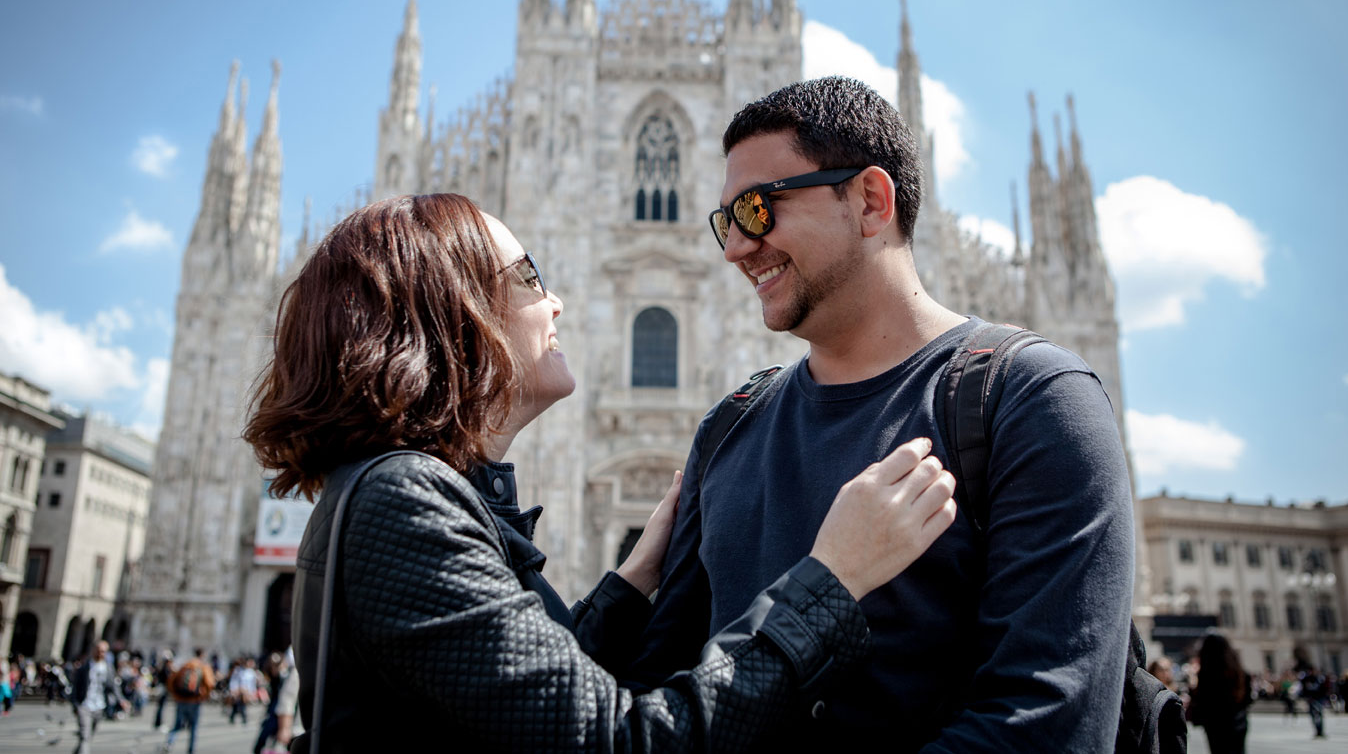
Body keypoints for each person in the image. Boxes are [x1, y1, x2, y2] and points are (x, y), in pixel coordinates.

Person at [242, 192, 958, 752]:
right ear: (448, 314)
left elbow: (524, 704)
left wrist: (633, 580)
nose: (555, 300)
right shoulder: (403, 503)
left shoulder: (415, 490)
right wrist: (832, 581)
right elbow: (616, 742)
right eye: (528, 277)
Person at [630, 77, 1136, 750]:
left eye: (757, 209)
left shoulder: (1031, 400)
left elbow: (1043, 725)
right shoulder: (729, 428)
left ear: (871, 200)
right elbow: (658, 696)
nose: (734, 248)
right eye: (727, 221)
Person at [1186, 633, 1251, 753]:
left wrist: (1192, 681)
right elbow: (1248, 700)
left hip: (1215, 724)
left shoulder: (1207, 676)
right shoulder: (1240, 674)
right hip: (1238, 722)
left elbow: (1201, 700)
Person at [162, 647, 216, 753]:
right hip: (194, 700)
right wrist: (204, 696)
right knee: (193, 727)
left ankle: (169, 743)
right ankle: (191, 750)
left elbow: (171, 680)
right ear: (202, 655)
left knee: (177, 725)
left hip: (181, 699)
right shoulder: (203, 666)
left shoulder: (186, 665)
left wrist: (176, 695)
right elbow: (210, 683)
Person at [70, 640, 118, 754]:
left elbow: (113, 687)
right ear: (93, 651)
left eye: (103, 651)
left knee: (88, 736)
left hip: (99, 706)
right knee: (85, 736)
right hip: (84, 705)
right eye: (98, 650)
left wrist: (121, 700)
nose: (100, 653)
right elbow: (75, 688)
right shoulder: (84, 667)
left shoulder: (108, 668)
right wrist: (75, 704)